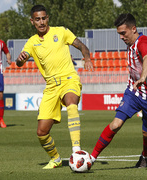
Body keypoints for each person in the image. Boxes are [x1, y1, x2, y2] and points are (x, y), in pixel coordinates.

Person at [16, 5, 93, 169]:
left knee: (72, 104)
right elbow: (19, 62)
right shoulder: (31, 42)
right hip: (51, 87)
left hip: (69, 79)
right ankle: (56, 158)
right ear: (32, 21)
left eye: (44, 18)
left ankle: (77, 151)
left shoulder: (61, 31)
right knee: (41, 133)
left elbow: (82, 46)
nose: (41, 22)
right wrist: (21, 59)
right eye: (38, 19)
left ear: (48, 18)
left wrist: (87, 59)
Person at [90, 13, 147, 168]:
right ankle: (91, 158)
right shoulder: (130, 45)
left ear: (133, 29)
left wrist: (143, 76)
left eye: (123, 33)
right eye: (119, 34)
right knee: (115, 124)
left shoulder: (144, 42)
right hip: (133, 91)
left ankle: (145, 155)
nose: (121, 37)